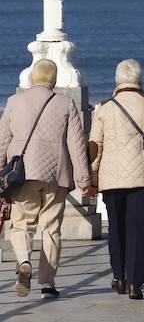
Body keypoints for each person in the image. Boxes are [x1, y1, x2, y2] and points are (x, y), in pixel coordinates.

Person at [0, 59, 95, 299]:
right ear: (54, 79)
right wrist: (84, 180)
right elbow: (77, 145)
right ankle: (47, 284)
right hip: (56, 175)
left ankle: (24, 261)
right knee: (51, 229)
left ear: (32, 77)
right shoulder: (65, 103)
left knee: (22, 224)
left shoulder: (14, 102)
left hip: (23, 174)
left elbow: (2, 141)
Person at [89, 59, 144, 300]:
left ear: (117, 81)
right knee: (140, 231)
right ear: (139, 80)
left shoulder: (104, 108)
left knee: (117, 228)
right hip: (143, 180)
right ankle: (136, 282)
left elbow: (95, 148)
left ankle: (119, 278)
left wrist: (93, 179)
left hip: (112, 180)